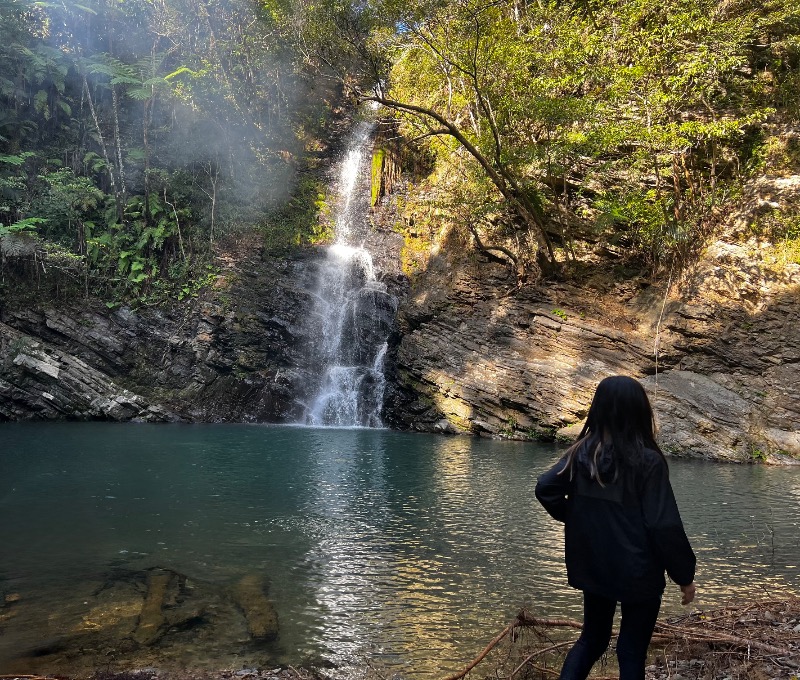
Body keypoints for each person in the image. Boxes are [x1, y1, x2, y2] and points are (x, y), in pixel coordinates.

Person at [535, 375, 696, 680]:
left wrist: (581, 519)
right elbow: (663, 525)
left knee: (592, 639)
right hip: (639, 571)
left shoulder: (581, 454)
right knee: (631, 650)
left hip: (595, 565)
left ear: (598, 409)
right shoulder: (647, 461)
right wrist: (684, 576)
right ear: (639, 411)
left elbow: (545, 488)